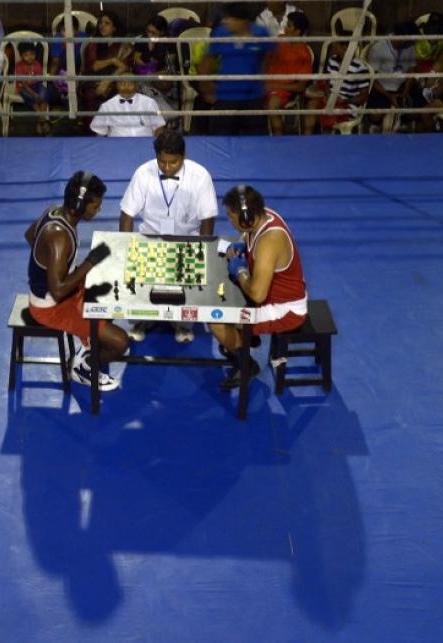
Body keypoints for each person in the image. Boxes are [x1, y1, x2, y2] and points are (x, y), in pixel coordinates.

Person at [25, 171, 129, 390]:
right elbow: (59, 292)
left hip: (59, 293)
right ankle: (85, 367)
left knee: (111, 293)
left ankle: (88, 339)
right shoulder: (60, 237)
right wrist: (89, 262)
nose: (99, 209)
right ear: (79, 207)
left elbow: (30, 235)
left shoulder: (53, 212)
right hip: (50, 308)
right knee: (120, 343)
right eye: (95, 206)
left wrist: (51, 263)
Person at [119, 131, 217, 343]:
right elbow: (127, 212)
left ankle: (182, 324)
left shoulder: (200, 176)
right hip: (150, 238)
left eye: (173, 162)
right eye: (162, 162)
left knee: (185, 292)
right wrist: (124, 247)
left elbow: (207, 217)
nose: (167, 167)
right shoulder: (143, 173)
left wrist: (204, 251)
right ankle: (140, 320)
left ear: (183, 155)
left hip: (186, 240)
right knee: (141, 288)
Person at [211, 185, 307, 389]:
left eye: (230, 216)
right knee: (224, 304)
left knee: (215, 319)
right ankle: (243, 337)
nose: (229, 220)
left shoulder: (270, 240)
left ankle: (247, 364)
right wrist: (241, 244)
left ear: (246, 217)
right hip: (275, 298)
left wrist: (239, 271)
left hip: (284, 310)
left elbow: (257, 294)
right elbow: (247, 236)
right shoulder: (264, 215)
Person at [203, 2, 275, 135]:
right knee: (220, 143)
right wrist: (206, 88)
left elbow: (268, 56)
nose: (225, 21)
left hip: (253, 98)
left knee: (256, 142)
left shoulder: (261, 33)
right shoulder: (220, 33)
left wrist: (262, 80)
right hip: (226, 97)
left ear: (242, 21)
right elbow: (207, 60)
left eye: (229, 18)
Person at [304, 28, 370, 134]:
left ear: (345, 47)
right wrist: (328, 94)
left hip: (347, 103)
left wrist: (344, 101)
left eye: (337, 44)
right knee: (312, 106)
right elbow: (328, 83)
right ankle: (306, 141)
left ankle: (328, 140)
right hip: (331, 99)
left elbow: (364, 96)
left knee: (330, 113)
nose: (334, 46)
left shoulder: (360, 68)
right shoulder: (333, 60)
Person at [264, 11, 312, 135]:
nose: (285, 28)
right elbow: (264, 61)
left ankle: (278, 141)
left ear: (298, 32)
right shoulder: (278, 41)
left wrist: (275, 86)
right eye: (286, 24)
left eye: (289, 26)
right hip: (265, 84)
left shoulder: (304, 54)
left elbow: (300, 86)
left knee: (272, 106)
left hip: (283, 90)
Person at [366, 22, 418, 133]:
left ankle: (402, 122)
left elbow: (411, 71)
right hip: (382, 87)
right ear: (403, 39)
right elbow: (372, 78)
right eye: (411, 41)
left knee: (420, 107)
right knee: (375, 116)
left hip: (402, 86)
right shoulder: (378, 48)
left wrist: (405, 92)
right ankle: (378, 125)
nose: (413, 44)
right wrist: (389, 96)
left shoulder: (410, 48)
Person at [80, 10, 132, 113]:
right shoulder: (93, 44)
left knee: (122, 92)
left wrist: (107, 82)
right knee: (92, 94)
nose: (102, 26)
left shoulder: (125, 46)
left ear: (114, 27)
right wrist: (112, 61)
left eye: (107, 23)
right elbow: (93, 66)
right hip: (93, 79)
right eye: (100, 23)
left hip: (116, 80)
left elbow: (125, 68)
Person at [90, 77, 166, 137]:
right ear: (117, 85)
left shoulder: (149, 102)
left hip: (145, 142)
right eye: (122, 83)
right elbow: (99, 131)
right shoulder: (107, 106)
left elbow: (159, 127)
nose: (126, 87)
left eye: (130, 84)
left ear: (136, 86)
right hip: (117, 144)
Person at [15, 42, 54, 135]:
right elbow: (23, 84)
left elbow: (39, 81)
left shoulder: (37, 65)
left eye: (32, 54)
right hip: (23, 87)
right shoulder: (19, 66)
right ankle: (43, 121)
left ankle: (40, 121)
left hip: (36, 85)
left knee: (45, 94)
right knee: (32, 98)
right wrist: (34, 94)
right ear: (21, 56)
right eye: (26, 55)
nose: (30, 57)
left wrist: (38, 93)